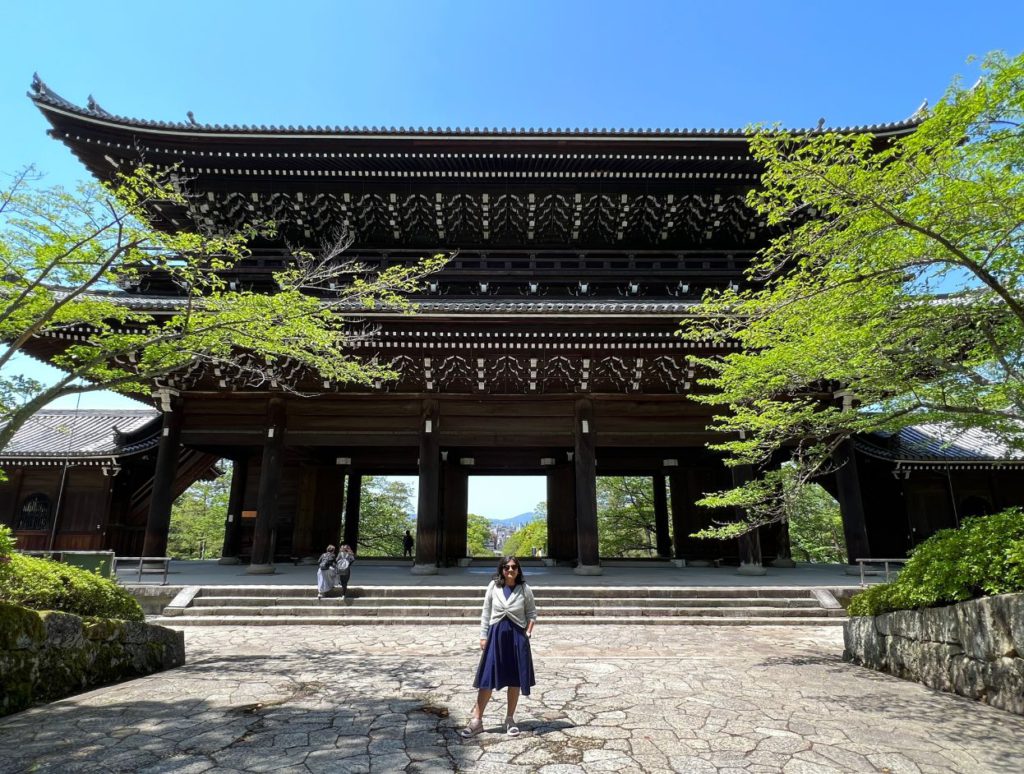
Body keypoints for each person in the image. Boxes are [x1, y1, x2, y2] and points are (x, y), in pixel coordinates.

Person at [461, 555, 537, 739]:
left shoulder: (524, 589)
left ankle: (510, 719)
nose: (510, 570)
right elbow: (486, 612)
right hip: (495, 636)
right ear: (501, 569)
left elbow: (532, 614)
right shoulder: (493, 586)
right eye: (506, 567)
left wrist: (527, 633)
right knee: (487, 677)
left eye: (513, 567)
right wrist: (483, 636)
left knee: (514, 678)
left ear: (518, 570)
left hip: (517, 637)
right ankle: (476, 720)